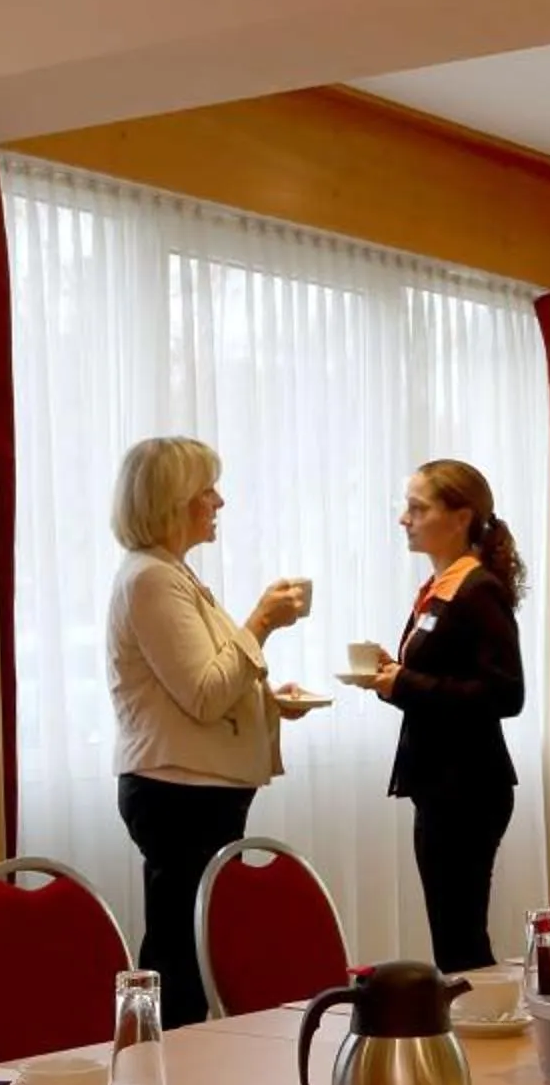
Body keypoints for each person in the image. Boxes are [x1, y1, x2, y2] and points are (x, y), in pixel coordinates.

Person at [107, 436, 317, 1024]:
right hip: (179, 793)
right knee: (180, 953)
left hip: (196, 788)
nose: (219, 502)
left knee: (193, 946)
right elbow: (202, 694)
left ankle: (178, 1074)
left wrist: (266, 703)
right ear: (175, 502)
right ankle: (167, 1074)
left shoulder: (171, 574)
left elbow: (203, 686)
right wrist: (261, 623)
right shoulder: (152, 579)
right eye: (207, 492)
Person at [363, 459, 526, 974]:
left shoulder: (478, 590)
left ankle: (486, 1035)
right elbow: (442, 681)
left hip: (469, 785)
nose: (403, 519)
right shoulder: (442, 587)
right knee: (452, 932)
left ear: (461, 517)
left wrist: (405, 682)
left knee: (459, 937)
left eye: (417, 508)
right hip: (441, 782)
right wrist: (392, 677)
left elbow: (506, 694)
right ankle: (477, 1034)